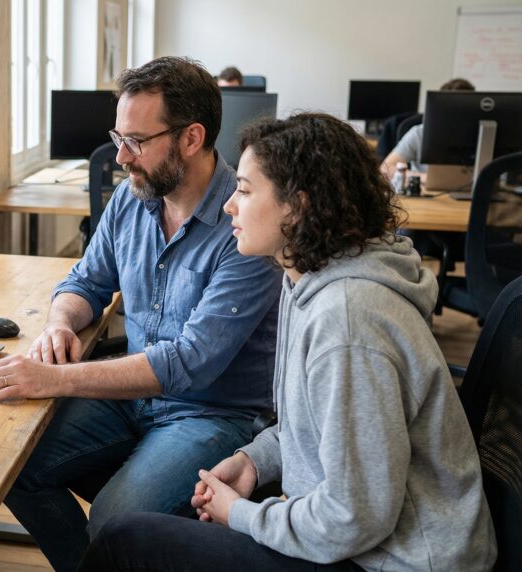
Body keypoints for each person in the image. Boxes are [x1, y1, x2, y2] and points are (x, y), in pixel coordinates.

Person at [77, 113, 498, 572]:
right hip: (355, 541)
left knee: (125, 540)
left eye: (244, 189)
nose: (228, 207)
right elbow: (311, 424)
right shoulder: (305, 276)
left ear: (297, 206)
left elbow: (354, 518)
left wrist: (242, 515)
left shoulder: (349, 323)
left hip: (395, 560)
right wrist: (253, 462)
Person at [0, 56, 282, 572]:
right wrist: (59, 322)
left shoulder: (246, 222)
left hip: (211, 412)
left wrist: (54, 379)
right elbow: (85, 283)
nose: (120, 155)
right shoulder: (132, 199)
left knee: (113, 525)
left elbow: (190, 363)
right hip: (134, 399)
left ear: (191, 138)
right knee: (10, 465)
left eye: (136, 141)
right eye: (118, 136)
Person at [380, 78, 474, 178]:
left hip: (473, 192)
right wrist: (421, 177)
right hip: (425, 190)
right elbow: (385, 168)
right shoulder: (419, 133)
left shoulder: (484, 137)